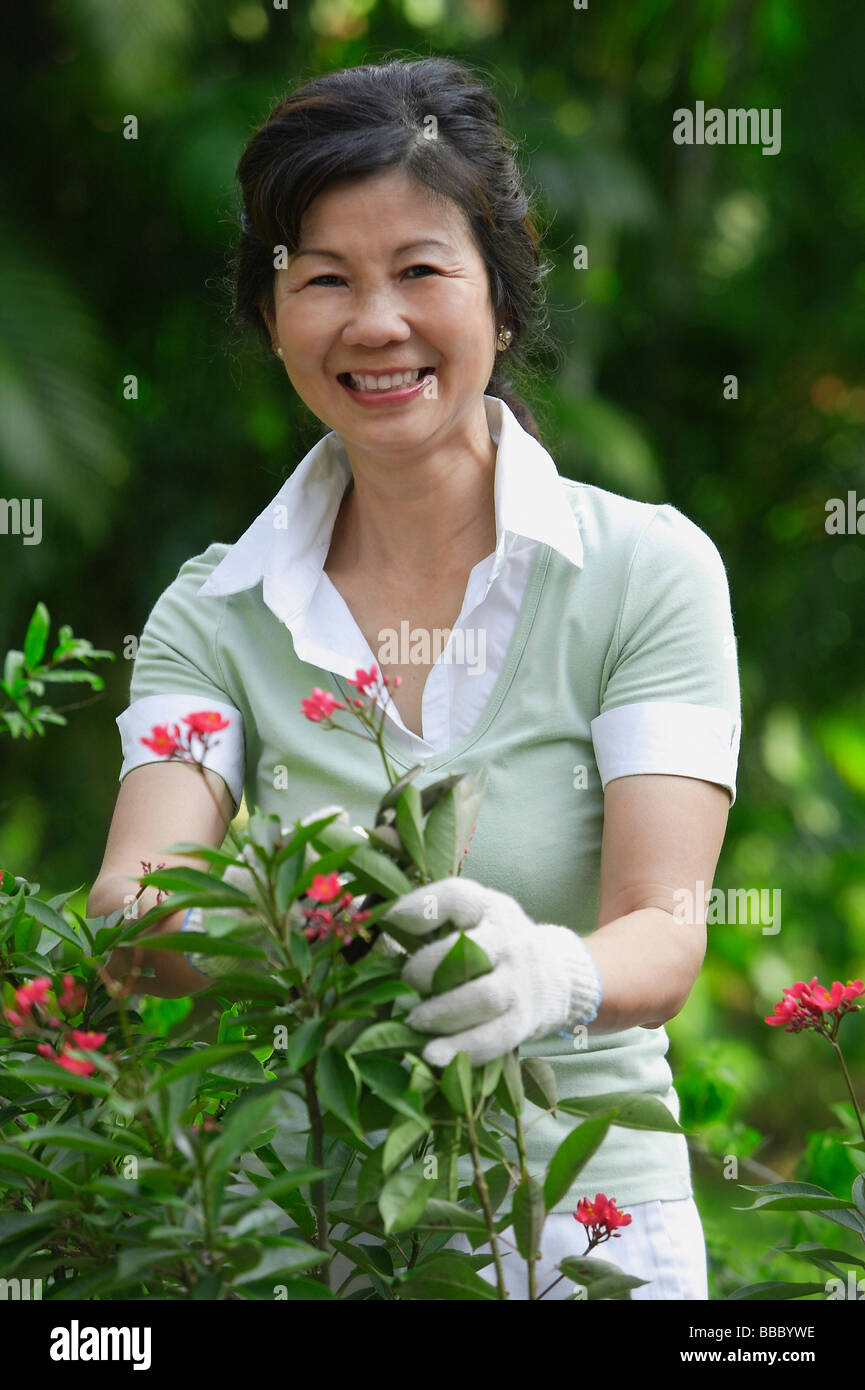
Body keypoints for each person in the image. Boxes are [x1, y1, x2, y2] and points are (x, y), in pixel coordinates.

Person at [90, 56, 741, 1301]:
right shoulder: (213, 611)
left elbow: (664, 926)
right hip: (307, 1231)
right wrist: (313, 909)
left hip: (582, 1230)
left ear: (501, 301)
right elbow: (129, 907)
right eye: (323, 278)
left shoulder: (646, 571)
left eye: (421, 272)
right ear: (271, 315)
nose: (374, 323)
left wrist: (551, 972)